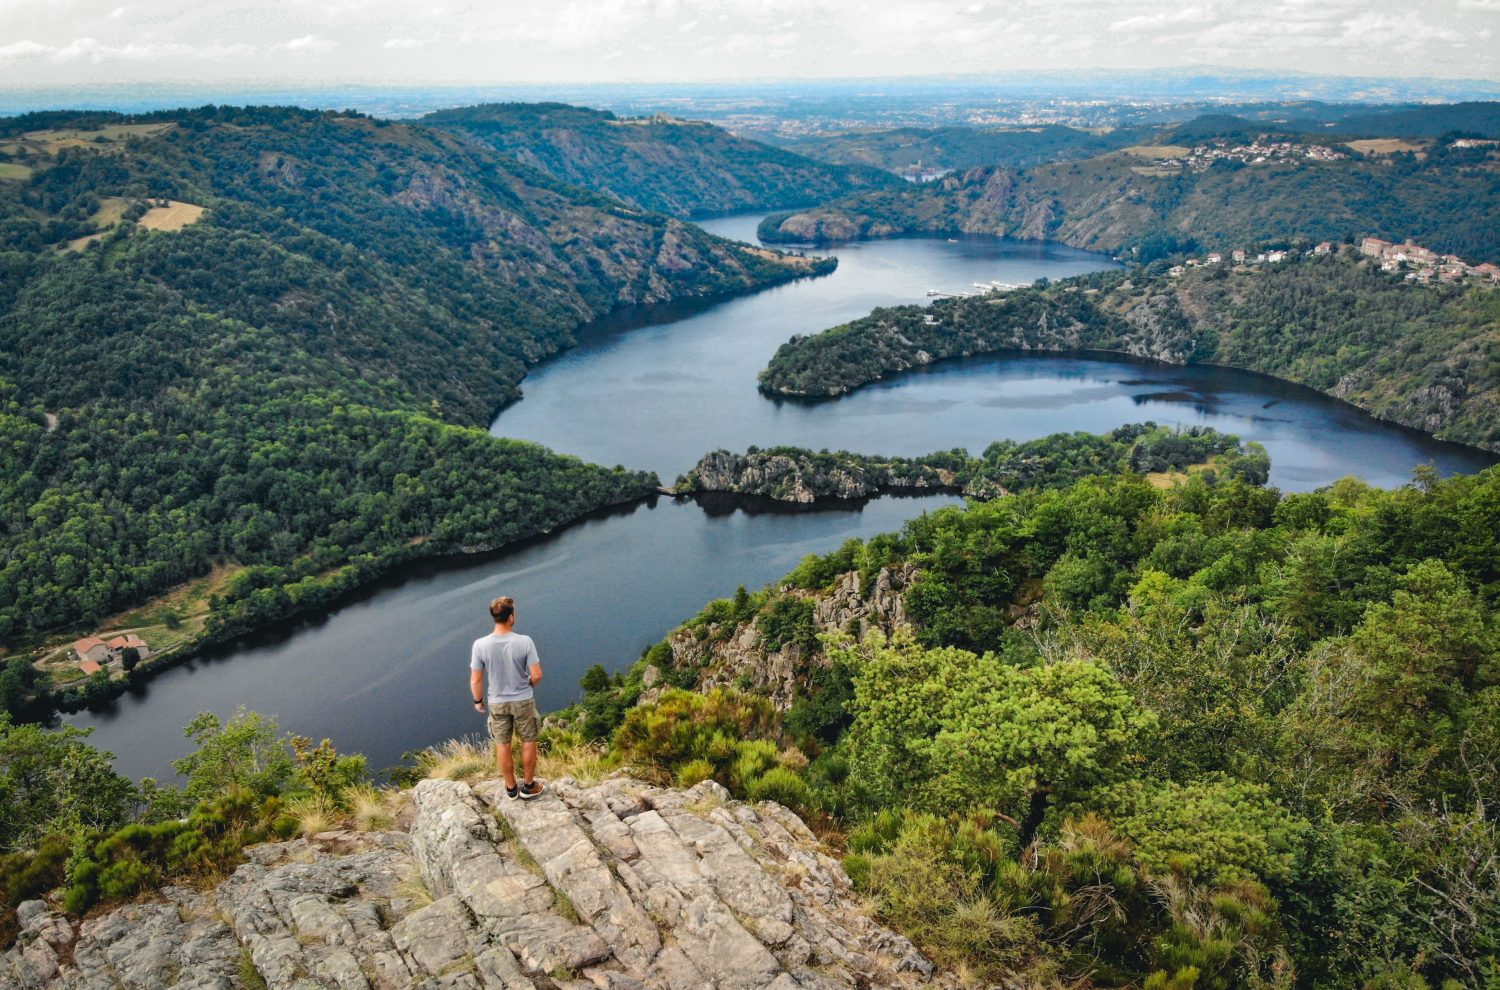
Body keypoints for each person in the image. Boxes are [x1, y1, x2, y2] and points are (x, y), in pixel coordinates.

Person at [469, 596, 544, 799]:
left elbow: (476, 680)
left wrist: (478, 701)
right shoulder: (524, 641)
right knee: (528, 740)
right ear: (511, 617)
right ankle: (528, 786)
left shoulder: (480, 645)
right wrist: (528, 683)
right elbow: (537, 674)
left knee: (503, 744)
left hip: (497, 702)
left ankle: (511, 788)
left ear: (494, 618)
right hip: (523, 700)